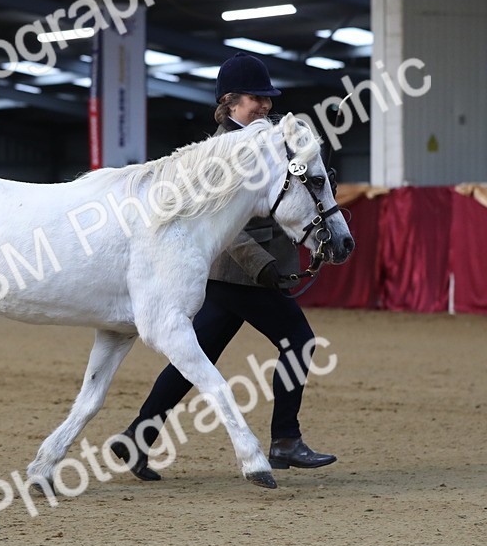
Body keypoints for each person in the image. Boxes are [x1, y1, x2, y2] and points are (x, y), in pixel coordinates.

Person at [110, 52, 337, 481]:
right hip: (241, 275)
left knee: (195, 355)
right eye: (257, 99)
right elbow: (226, 228)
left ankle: (137, 437)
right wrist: (264, 266)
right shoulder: (219, 154)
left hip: (233, 279)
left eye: (269, 99)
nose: (266, 106)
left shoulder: (266, 139)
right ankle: (285, 439)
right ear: (230, 103)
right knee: (300, 340)